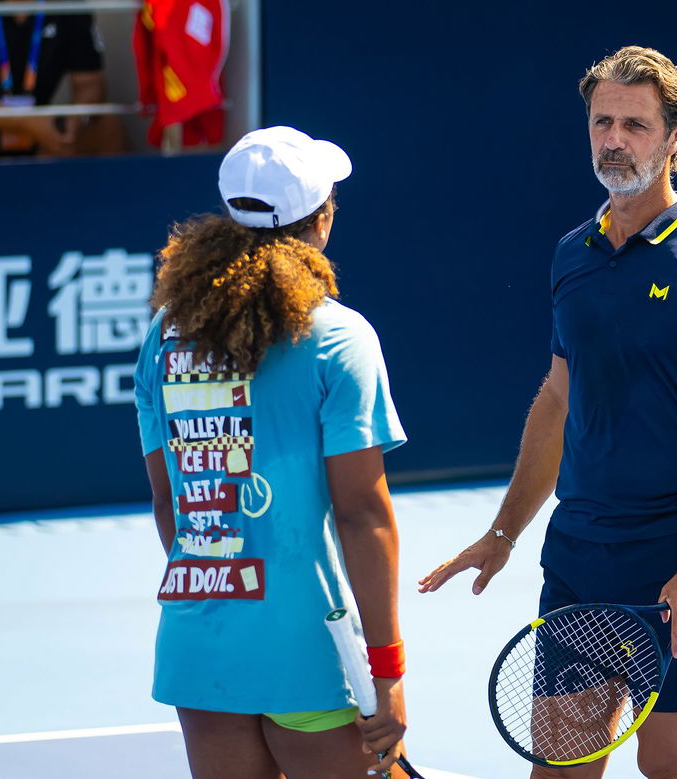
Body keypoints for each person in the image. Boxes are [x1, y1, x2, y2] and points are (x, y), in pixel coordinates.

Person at [419, 46, 677, 779]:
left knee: (670, 767)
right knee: (562, 772)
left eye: (635, 125)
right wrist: (503, 531)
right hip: (581, 558)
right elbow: (556, 400)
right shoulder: (571, 255)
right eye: (601, 122)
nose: (614, 140)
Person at [135, 126, 411, 778]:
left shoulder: (163, 334)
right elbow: (363, 515)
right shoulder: (340, 339)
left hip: (200, 646)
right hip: (309, 648)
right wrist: (386, 670)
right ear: (320, 222)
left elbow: (170, 502)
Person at [0, 1, 126, 161]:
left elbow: (90, 84)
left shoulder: (70, 5)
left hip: (42, 131)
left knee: (107, 124)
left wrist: (75, 123)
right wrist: (25, 121)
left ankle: (122, 209)